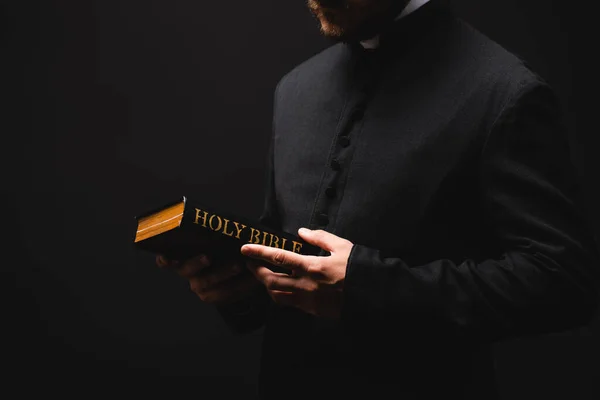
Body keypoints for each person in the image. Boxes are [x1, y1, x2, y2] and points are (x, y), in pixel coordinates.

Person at [157, 0, 600, 398]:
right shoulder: (294, 89)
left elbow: (563, 281)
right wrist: (239, 287)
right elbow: (287, 261)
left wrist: (369, 288)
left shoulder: (506, 91)